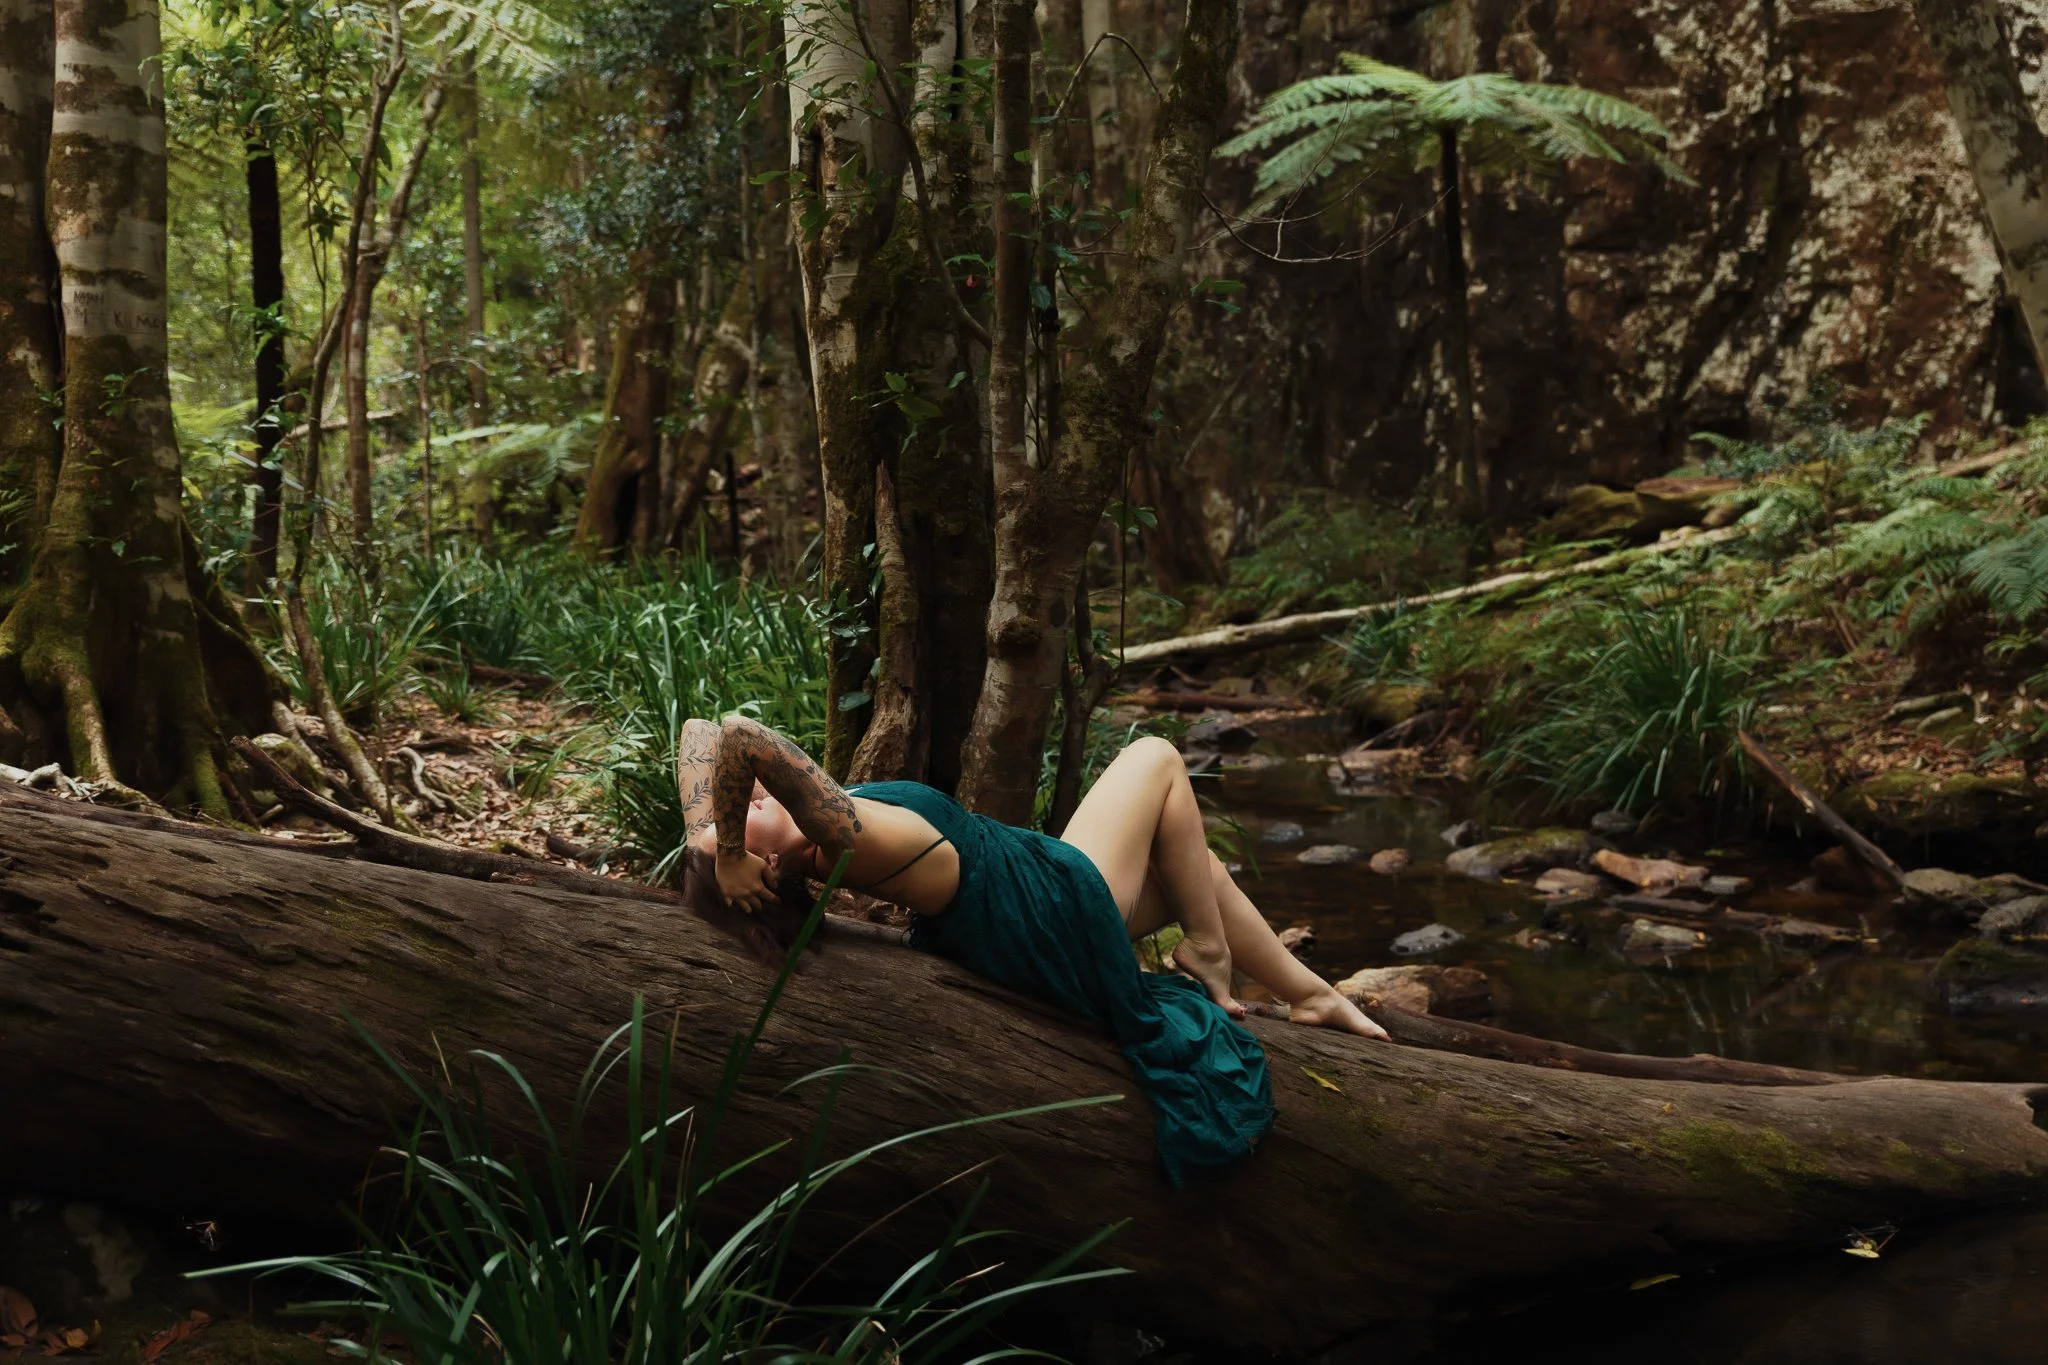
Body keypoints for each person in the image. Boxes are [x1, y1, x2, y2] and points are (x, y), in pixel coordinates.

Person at [678, 713, 1388, 1186]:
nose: (732, 811)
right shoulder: (840, 833)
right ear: (767, 870)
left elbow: (697, 731)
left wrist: (716, 845)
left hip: (1025, 890)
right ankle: (1206, 948)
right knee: (1157, 756)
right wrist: (730, 850)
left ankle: (1311, 994)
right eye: (734, 825)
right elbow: (740, 732)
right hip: (1047, 910)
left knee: (1191, 863)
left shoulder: (801, 832)